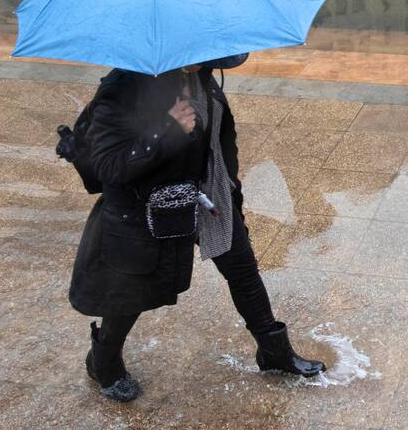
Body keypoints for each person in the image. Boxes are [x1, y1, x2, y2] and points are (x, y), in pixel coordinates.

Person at [68, 54, 325, 402]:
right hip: (146, 208)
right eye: (194, 57)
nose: (202, 62)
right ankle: (104, 361)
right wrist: (165, 130)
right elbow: (109, 166)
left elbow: (217, 138)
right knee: (132, 291)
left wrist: (229, 189)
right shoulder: (123, 87)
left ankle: (273, 352)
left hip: (207, 193)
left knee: (243, 269)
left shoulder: (201, 74)